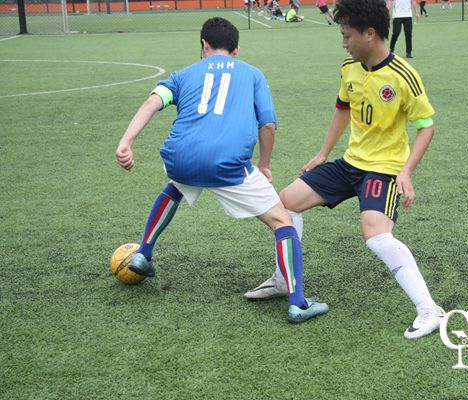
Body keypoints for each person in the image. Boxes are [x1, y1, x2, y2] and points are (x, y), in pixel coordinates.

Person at [244, 0, 445, 339]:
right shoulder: (349, 68)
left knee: (376, 235)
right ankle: (283, 279)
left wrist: (406, 171)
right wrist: (323, 153)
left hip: (384, 170)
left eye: (347, 36)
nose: (343, 43)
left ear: (370, 34)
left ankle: (429, 309)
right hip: (350, 164)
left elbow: (426, 127)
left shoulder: (403, 75)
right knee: (285, 204)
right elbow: (343, 109)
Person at [115, 17, 328, 324]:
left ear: (204, 44)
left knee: (177, 184)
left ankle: (143, 253)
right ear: (236, 50)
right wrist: (264, 165)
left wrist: (126, 142)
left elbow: (152, 102)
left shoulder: (183, 74)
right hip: (227, 162)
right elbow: (268, 125)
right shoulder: (252, 74)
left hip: (180, 157)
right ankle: (298, 303)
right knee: (283, 222)